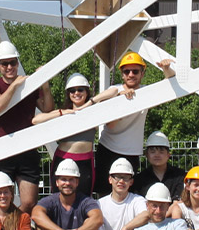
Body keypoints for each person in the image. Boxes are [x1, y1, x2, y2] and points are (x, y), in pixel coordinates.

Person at [0, 41, 52, 209]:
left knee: (29, 202)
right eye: (4, 63)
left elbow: (48, 108)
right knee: (0, 203)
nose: (9, 67)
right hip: (2, 150)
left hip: (27, 150)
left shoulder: (29, 85)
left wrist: (45, 84)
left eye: (12, 62)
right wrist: (14, 86)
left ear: (17, 63)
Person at [94, 51, 162, 199]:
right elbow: (110, 125)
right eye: (127, 71)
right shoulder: (113, 92)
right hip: (108, 150)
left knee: (129, 196)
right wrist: (122, 103)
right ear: (122, 74)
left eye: (135, 71)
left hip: (131, 152)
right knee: (104, 195)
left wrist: (167, 68)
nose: (131, 74)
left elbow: (172, 83)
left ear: (143, 73)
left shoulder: (146, 92)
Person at [45, 72, 97, 196]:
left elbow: (112, 92)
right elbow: (36, 120)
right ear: (68, 94)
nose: (76, 93)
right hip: (63, 159)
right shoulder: (64, 114)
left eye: (80, 89)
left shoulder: (95, 111)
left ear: (87, 91)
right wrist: (61, 112)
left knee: (84, 200)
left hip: (85, 162)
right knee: (58, 200)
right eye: (72, 91)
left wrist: (91, 102)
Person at [135, 131, 180, 204]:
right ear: (146, 154)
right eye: (153, 152)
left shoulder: (179, 176)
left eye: (161, 152)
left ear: (168, 154)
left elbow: (178, 203)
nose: (157, 155)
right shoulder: (139, 180)